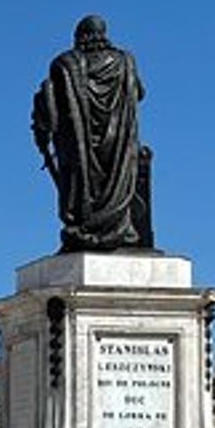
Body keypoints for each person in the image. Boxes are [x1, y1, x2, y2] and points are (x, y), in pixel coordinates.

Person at [32, 14, 153, 253]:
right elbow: (139, 93)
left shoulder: (65, 63)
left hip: (79, 146)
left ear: (79, 36)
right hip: (118, 142)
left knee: (81, 186)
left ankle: (85, 229)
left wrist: (41, 128)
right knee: (117, 182)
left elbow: (50, 107)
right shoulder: (125, 61)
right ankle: (122, 229)